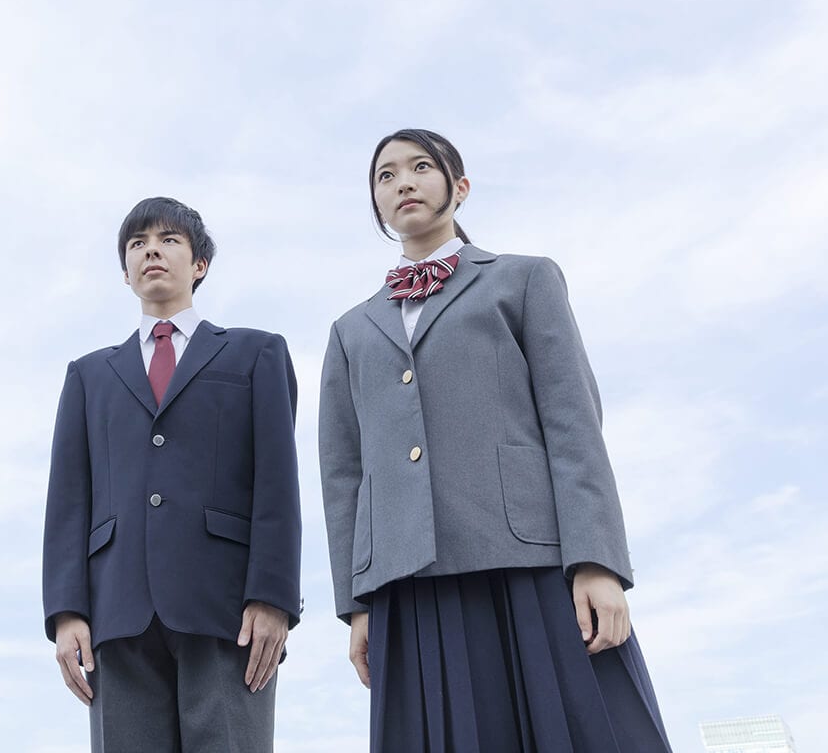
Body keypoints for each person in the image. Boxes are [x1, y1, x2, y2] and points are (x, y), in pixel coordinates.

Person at [318, 129, 672, 752]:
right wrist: (358, 604)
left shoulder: (524, 280)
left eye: (421, 166)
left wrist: (598, 561)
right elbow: (343, 474)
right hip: (406, 582)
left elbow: (573, 425)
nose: (403, 182)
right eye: (386, 175)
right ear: (375, 203)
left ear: (459, 187)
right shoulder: (350, 331)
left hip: (531, 566)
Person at [43, 196, 303, 753]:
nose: (151, 251)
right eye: (137, 244)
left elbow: (278, 485)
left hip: (228, 609)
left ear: (199, 264)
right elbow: (68, 500)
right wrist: (66, 613)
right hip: (117, 612)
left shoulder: (256, 353)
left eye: (168, 240)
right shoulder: (89, 376)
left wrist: (273, 597)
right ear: (126, 272)